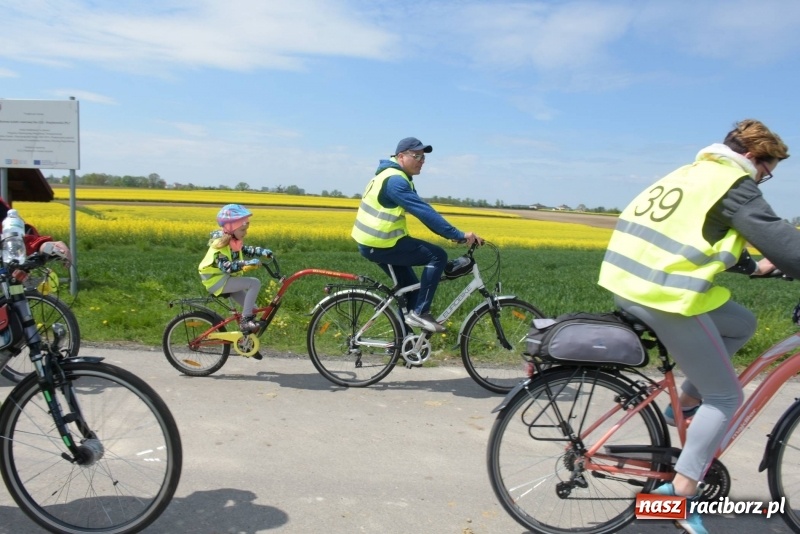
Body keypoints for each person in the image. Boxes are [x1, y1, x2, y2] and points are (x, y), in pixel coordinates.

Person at [598, 119, 799, 534]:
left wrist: (756, 267)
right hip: (663, 296)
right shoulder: (733, 184)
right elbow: (784, 242)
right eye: (766, 171)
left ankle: (687, 402)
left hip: (631, 283)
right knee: (726, 397)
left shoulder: (693, 173)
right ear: (751, 157)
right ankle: (678, 497)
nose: (763, 179)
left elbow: (697, 232)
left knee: (741, 323)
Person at [351, 137, 483, 333]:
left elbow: (423, 212)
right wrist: (457, 234)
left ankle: (404, 340)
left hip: (376, 242)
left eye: (423, 157)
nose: (422, 161)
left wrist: (453, 235)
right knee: (437, 256)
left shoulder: (389, 175)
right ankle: (421, 313)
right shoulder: (395, 181)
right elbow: (424, 212)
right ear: (401, 156)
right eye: (417, 156)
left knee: (412, 289)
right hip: (381, 243)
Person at [198, 204, 273, 334]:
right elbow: (226, 267)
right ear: (231, 229)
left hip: (226, 280)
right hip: (217, 282)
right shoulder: (220, 245)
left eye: (246, 229)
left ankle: (246, 341)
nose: (246, 232)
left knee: (252, 309)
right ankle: (245, 322)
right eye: (242, 230)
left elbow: (246, 249)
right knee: (254, 283)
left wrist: (262, 251)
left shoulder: (234, 242)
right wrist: (245, 263)